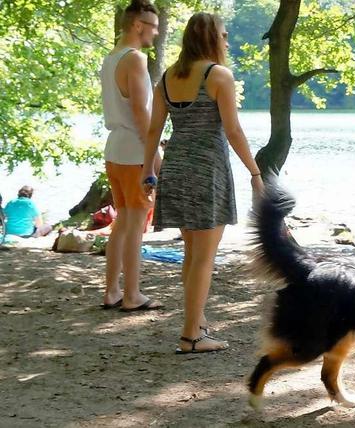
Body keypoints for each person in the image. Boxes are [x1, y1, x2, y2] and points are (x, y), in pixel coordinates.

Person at [142, 12, 264, 353]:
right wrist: (255, 172)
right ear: (210, 38)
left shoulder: (167, 78)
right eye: (223, 36)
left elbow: (153, 131)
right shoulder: (218, 75)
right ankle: (191, 336)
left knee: (193, 254)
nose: (227, 41)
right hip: (207, 170)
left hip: (176, 167)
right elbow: (233, 130)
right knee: (204, 257)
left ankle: (197, 323)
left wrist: (147, 172)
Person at [100, 0, 163, 312]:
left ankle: (112, 290)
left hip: (115, 148)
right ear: (138, 26)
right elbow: (141, 113)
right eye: (153, 26)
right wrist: (155, 157)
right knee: (135, 224)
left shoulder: (111, 58)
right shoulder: (135, 59)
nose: (157, 31)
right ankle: (133, 294)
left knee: (123, 221)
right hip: (135, 151)